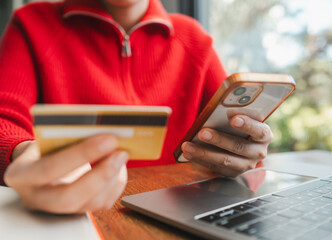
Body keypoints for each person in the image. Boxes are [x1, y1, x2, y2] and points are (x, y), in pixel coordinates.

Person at [0, 0, 273, 214]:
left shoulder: (194, 39)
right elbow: (4, 120)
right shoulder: (32, 23)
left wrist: (246, 155)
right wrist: (23, 153)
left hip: (179, 216)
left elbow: (237, 143)